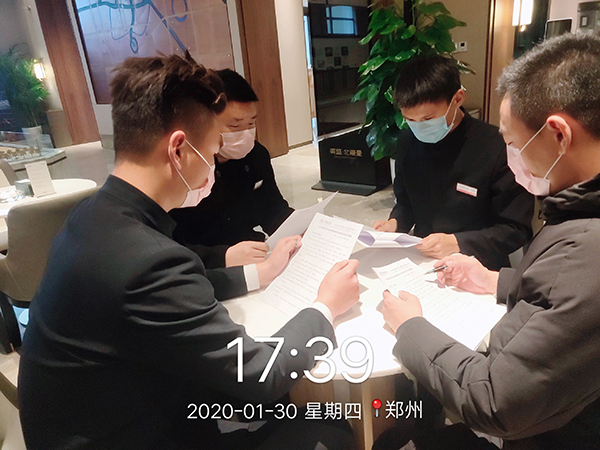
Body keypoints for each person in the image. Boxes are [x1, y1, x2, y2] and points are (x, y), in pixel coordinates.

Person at [18, 54, 360, 450]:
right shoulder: (147, 260)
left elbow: (166, 296)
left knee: (283, 404)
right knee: (330, 428)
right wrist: (325, 307)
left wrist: (259, 273)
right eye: (212, 152)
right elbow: (259, 373)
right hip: (137, 432)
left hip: (114, 405)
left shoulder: (94, 213)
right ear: (179, 149)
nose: (214, 165)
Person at [381, 33, 600, 449]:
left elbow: (495, 401)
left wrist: (409, 327)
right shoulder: (574, 214)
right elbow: (562, 294)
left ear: (559, 135)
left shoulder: (585, 244)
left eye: (514, 143)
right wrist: (498, 280)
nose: (513, 157)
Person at [372, 55, 533, 271]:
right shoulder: (407, 142)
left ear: (457, 99)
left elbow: (516, 229)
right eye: (410, 120)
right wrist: (395, 223)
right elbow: (406, 202)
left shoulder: (497, 147)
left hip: (478, 266)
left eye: (428, 119)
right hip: (423, 260)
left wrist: (458, 243)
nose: (420, 127)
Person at [170, 69, 293, 269]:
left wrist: (299, 228)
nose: (245, 134)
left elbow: (272, 208)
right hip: (206, 266)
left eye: (251, 123)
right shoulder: (188, 168)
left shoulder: (256, 154)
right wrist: (223, 257)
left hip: (255, 254)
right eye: (235, 127)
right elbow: (171, 247)